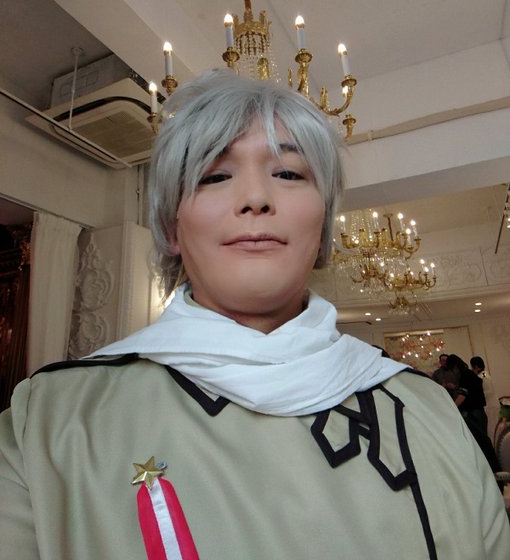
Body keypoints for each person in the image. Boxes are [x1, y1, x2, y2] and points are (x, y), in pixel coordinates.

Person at [0, 70, 509, 560]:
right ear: (172, 228)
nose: (256, 198)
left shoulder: (427, 409)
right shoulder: (50, 421)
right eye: (215, 175)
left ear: (323, 228)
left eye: (288, 173)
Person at [444, 353, 500, 472]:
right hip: (480, 411)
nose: (453, 373)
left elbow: (463, 395)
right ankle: (494, 469)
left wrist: (451, 408)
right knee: (484, 441)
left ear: (455, 367)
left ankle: (492, 470)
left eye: (452, 370)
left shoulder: (466, 376)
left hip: (474, 412)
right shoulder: (471, 375)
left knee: (481, 442)